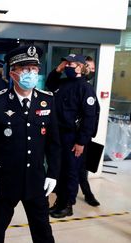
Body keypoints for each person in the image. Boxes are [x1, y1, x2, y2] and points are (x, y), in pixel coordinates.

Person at [0, 45, 60, 243]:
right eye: (25, 69)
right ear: (13, 72)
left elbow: (54, 143)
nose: (30, 74)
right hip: (5, 180)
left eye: (34, 69)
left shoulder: (47, 101)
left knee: (43, 230)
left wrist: (52, 174)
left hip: (36, 180)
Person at [46, 54, 100, 218]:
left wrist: (81, 142)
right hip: (58, 135)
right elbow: (50, 84)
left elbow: (90, 117)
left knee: (70, 172)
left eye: (72, 64)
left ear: (81, 67)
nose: (68, 66)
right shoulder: (62, 83)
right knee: (59, 170)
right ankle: (59, 202)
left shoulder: (85, 88)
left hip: (73, 137)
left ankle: (67, 205)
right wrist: (58, 69)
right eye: (66, 63)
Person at [77, 56, 100, 207]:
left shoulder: (88, 86)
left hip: (86, 135)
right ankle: (87, 194)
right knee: (79, 168)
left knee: (82, 167)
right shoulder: (81, 87)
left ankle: (87, 193)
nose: (92, 71)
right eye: (90, 68)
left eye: (93, 69)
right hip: (79, 136)